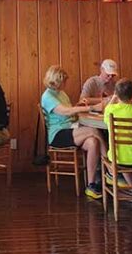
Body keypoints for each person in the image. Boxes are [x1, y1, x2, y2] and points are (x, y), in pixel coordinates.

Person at [41, 65, 105, 199]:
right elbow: (65, 111)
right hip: (58, 134)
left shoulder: (61, 93)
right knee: (94, 130)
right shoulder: (47, 96)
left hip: (70, 128)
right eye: (64, 81)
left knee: (93, 142)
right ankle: (110, 167)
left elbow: (70, 111)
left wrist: (79, 106)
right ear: (57, 81)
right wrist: (91, 107)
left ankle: (91, 185)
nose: (65, 83)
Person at [103, 79, 132, 193]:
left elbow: (105, 115)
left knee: (121, 152)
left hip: (116, 158)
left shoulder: (110, 110)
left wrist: (113, 99)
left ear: (116, 94)